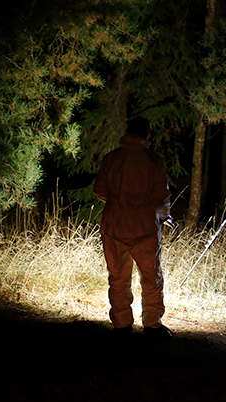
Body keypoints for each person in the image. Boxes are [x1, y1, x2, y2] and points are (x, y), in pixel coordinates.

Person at [94, 117, 174, 339]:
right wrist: (163, 217)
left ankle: (122, 325)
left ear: (128, 132)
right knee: (151, 277)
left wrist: (118, 205)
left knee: (118, 276)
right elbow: (162, 197)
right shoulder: (153, 161)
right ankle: (152, 325)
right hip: (144, 227)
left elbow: (100, 190)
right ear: (147, 134)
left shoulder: (111, 159)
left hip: (114, 225)